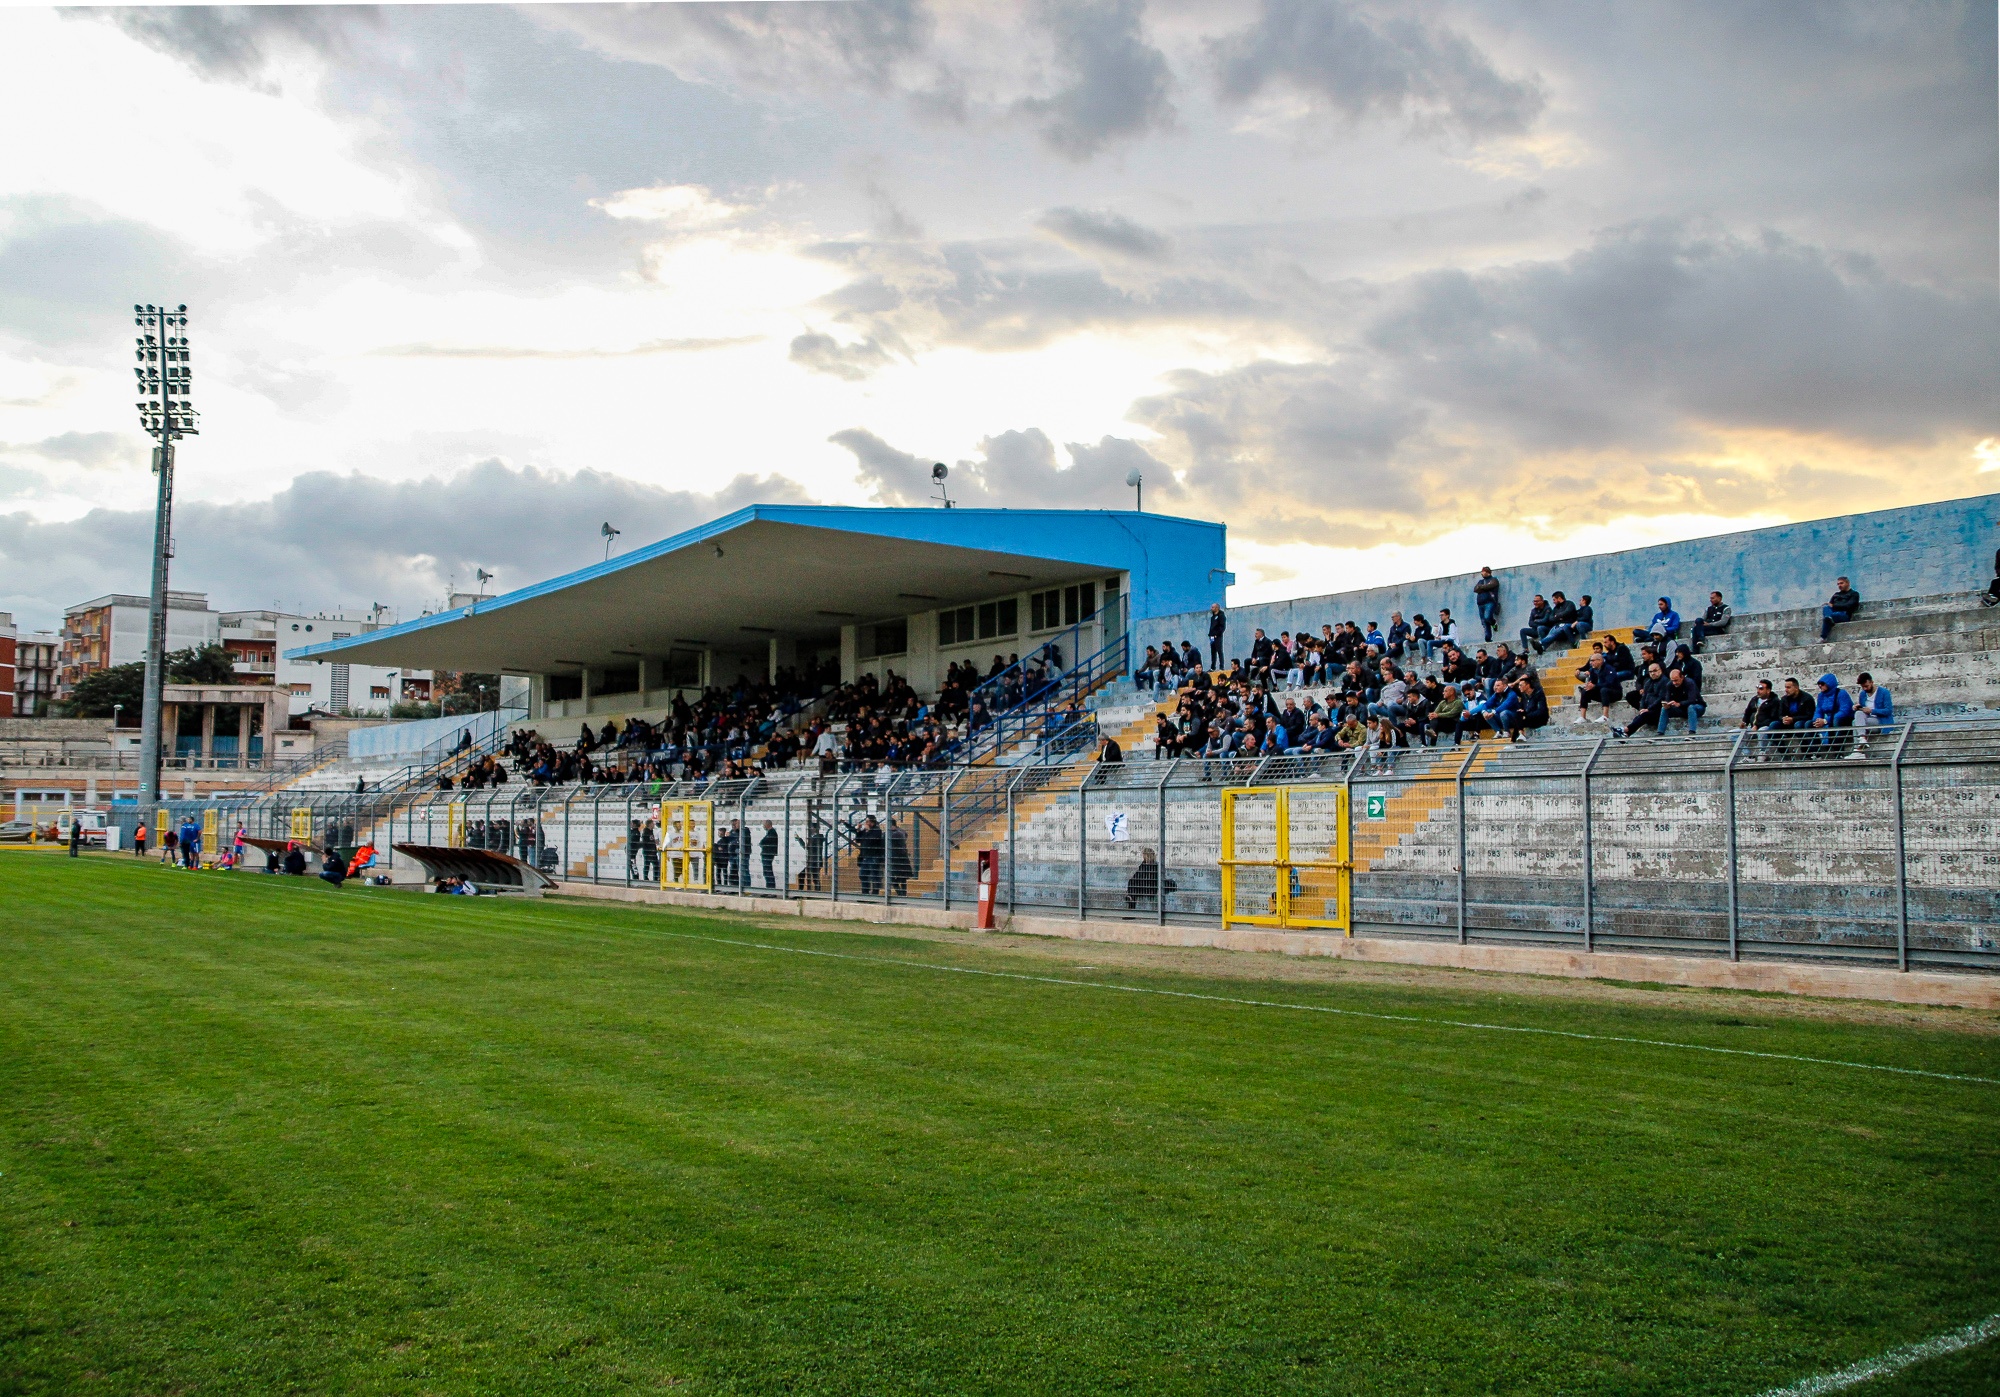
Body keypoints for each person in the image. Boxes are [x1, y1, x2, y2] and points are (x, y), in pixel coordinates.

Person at [1809, 672, 1855, 757]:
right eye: (1819, 684)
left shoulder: (1841, 693)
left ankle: (1839, 752)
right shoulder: (1821, 696)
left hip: (1843, 720)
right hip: (1829, 720)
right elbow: (1818, 710)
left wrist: (1826, 721)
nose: (1820, 686)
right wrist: (1817, 720)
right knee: (1809, 724)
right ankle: (1814, 753)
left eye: (1822, 684)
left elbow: (1845, 711)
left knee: (1837, 719)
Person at [1851, 672, 1892, 755]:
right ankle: (1862, 738)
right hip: (1867, 719)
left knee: (1856, 723)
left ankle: (1858, 750)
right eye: (1863, 687)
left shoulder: (1884, 692)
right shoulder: (1863, 694)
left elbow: (1888, 710)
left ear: (1871, 682)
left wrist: (1872, 711)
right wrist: (1858, 707)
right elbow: (1863, 709)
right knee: (1857, 716)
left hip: (1881, 721)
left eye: (1866, 686)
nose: (1865, 689)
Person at [1740, 679, 1781, 759]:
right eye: (1757, 688)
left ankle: (1763, 752)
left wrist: (1757, 726)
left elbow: (1773, 718)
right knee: (1733, 734)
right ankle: (1748, 755)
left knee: (1762, 731)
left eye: (1761, 689)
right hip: (1752, 727)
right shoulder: (1754, 699)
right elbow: (1748, 712)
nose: (1758, 691)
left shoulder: (1775, 701)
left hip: (1765, 727)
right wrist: (1744, 723)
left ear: (1768, 690)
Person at [855, 815, 886, 896]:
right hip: (865, 857)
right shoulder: (865, 831)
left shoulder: (877, 831)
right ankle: (865, 893)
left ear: (872, 822)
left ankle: (875, 893)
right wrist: (858, 830)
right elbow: (858, 839)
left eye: (867, 821)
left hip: (874, 856)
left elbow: (873, 840)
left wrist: (868, 831)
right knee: (863, 875)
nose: (866, 823)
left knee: (874, 876)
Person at [1473, 566, 1500, 641]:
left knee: (1487, 617)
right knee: (1484, 622)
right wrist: (1483, 587)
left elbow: (1490, 586)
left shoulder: (1494, 580)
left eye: (1483, 571)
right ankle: (1488, 638)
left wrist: (1481, 587)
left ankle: (1493, 622)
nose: (1482, 573)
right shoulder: (1480, 581)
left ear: (1487, 572)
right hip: (1480, 604)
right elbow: (1475, 589)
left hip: (1490, 602)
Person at [759, 820, 779, 889]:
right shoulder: (769, 833)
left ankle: (771, 889)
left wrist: (762, 843)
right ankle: (769, 888)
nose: (763, 826)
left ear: (768, 824)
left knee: (768, 872)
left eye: (764, 824)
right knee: (766, 872)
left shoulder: (772, 832)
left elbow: (763, 842)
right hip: (766, 854)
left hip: (768, 854)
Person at [1207, 603, 1227, 670]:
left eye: (1213, 607)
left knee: (1219, 651)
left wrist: (1217, 634)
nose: (1211, 608)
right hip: (1212, 637)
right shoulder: (1213, 617)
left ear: (1217, 608)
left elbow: (1222, 627)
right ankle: (1213, 667)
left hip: (1217, 637)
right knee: (1213, 652)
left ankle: (1221, 666)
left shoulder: (1221, 616)